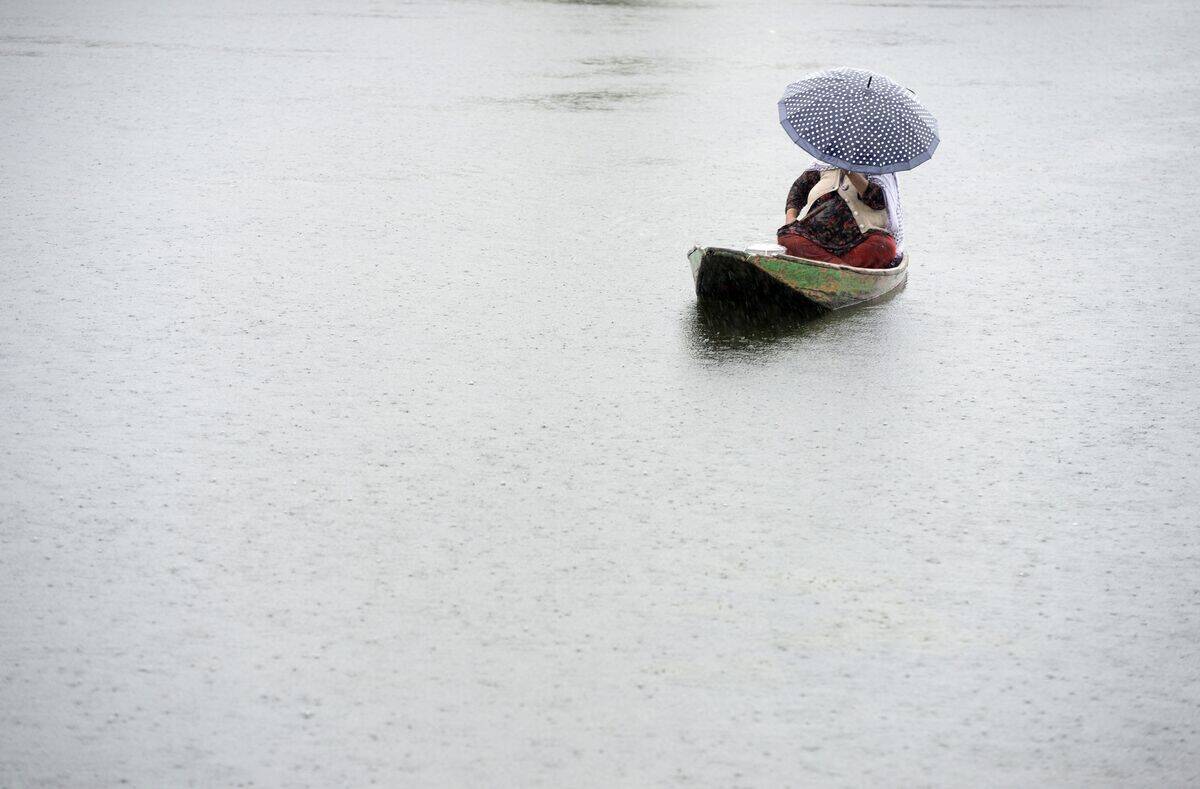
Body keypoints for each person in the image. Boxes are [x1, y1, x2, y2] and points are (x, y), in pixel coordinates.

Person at [777, 162, 904, 269]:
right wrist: (790, 218)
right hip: (816, 237)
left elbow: (877, 201)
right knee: (786, 237)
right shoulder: (823, 164)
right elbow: (798, 190)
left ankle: (825, 268)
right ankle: (842, 270)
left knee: (884, 247)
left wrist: (850, 171)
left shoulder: (880, 168)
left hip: (860, 239)